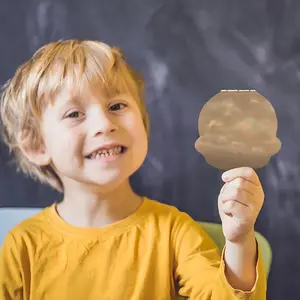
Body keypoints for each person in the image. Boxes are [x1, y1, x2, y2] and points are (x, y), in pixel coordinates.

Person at [0, 40, 266, 300]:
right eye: (74, 114)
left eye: (117, 106)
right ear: (36, 144)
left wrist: (240, 240)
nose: (104, 124)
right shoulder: (22, 246)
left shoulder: (174, 231)